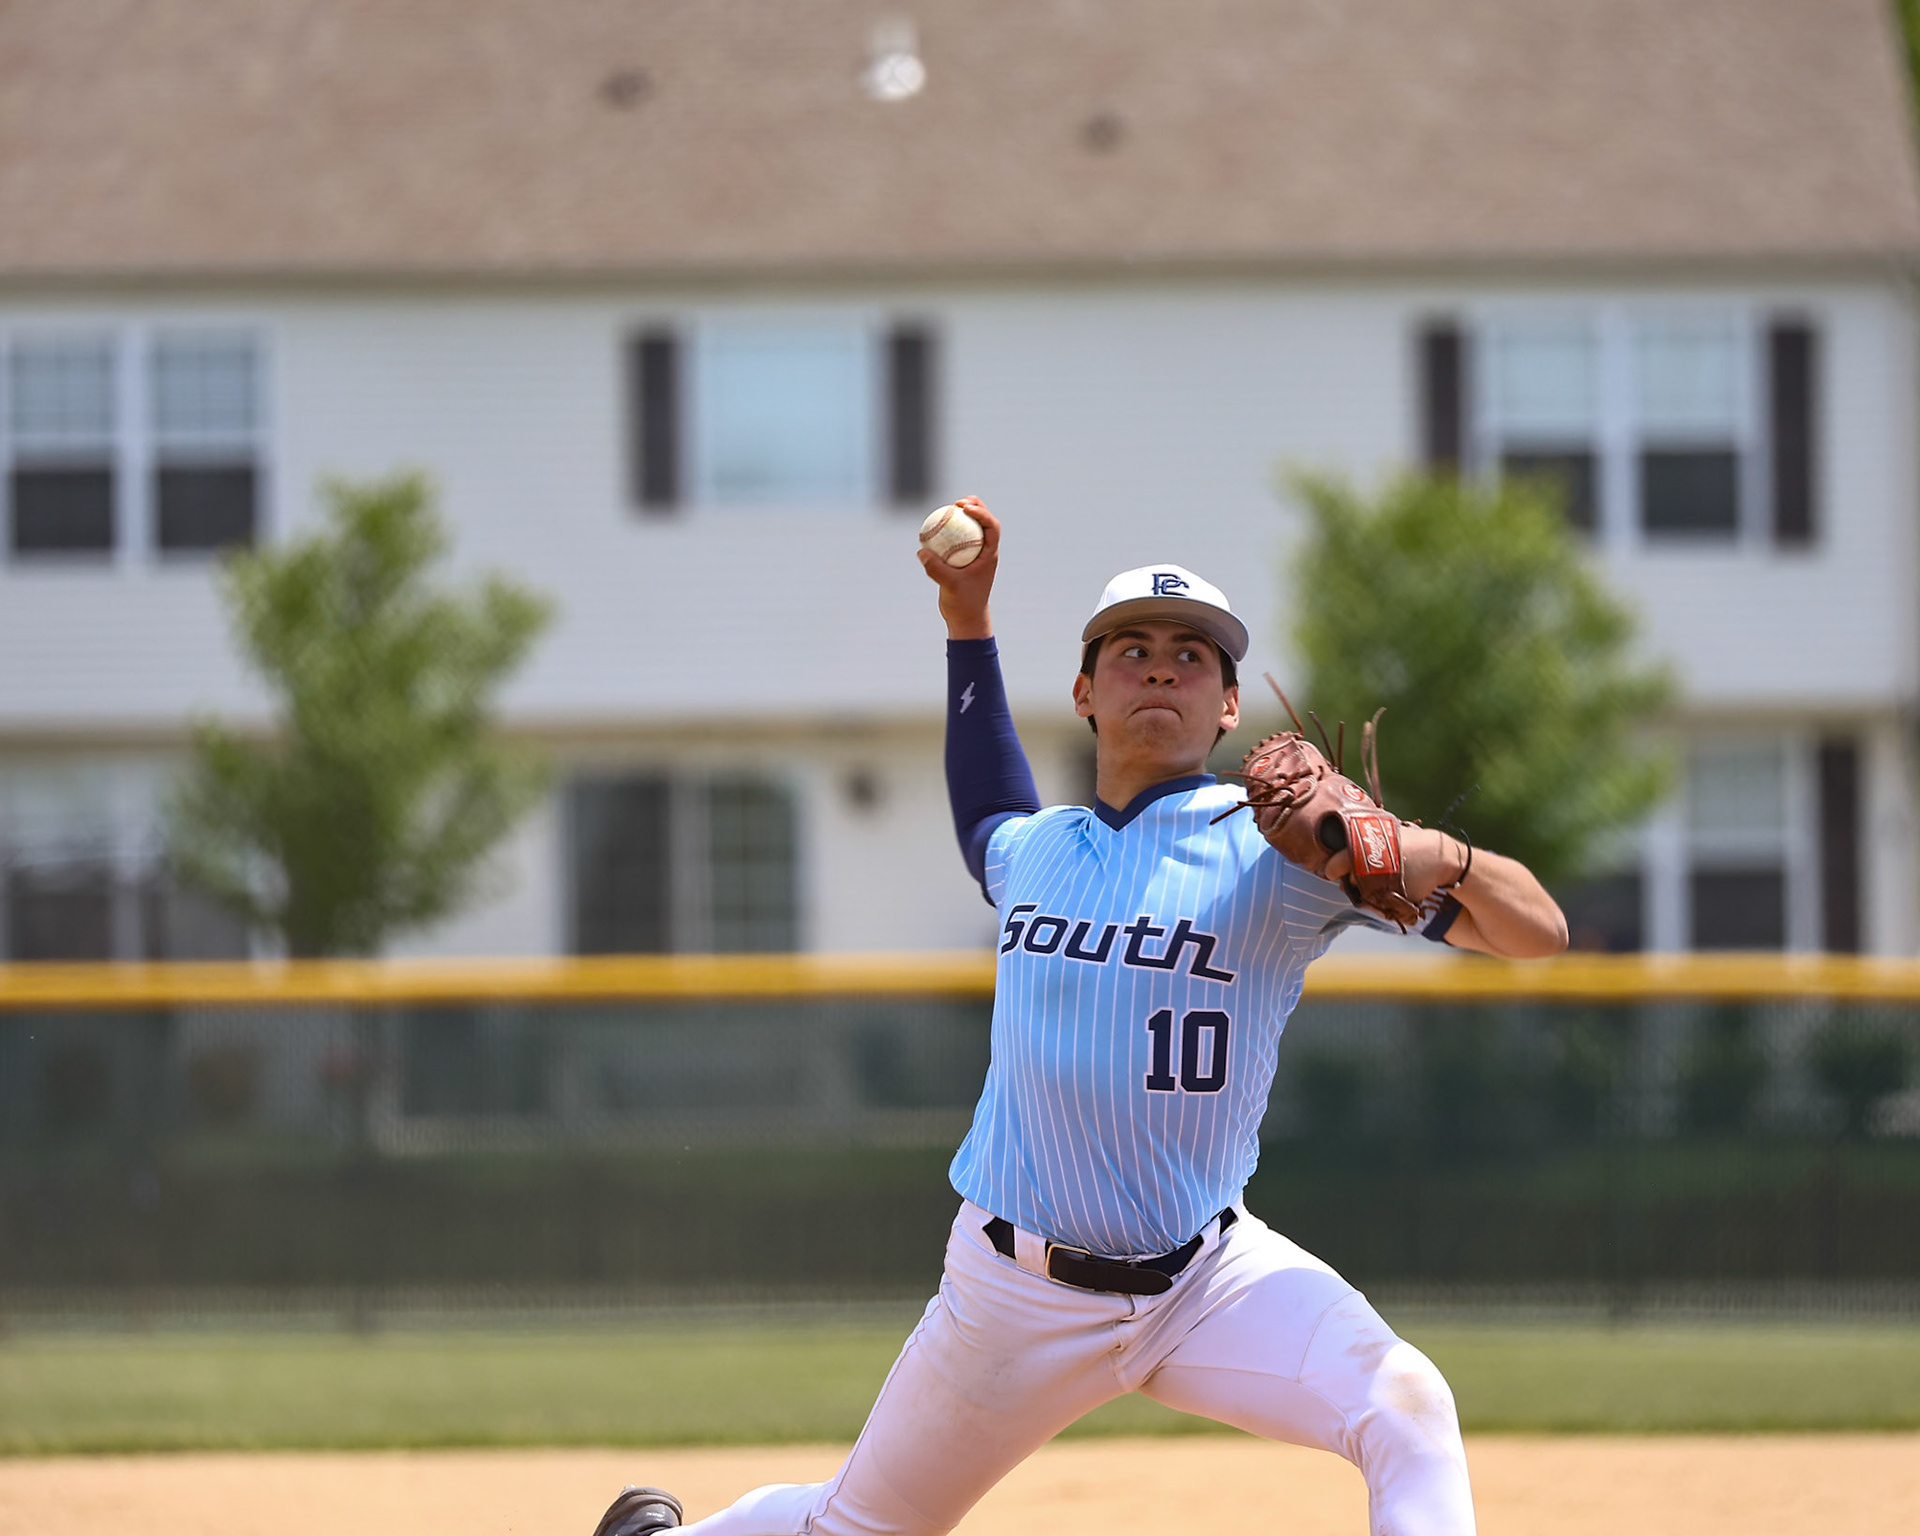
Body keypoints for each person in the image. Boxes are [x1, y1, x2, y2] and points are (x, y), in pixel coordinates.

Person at [594, 497, 1567, 1536]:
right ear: (1085, 693)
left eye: (1191, 656)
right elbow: (985, 800)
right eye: (1131, 651)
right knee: (859, 1527)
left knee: (1406, 1405)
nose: (1161, 670)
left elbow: (1538, 932)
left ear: (1230, 705)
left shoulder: (1286, 857)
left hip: (1207, 1280)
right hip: (1014, 1293)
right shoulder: (1034, 850)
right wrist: (968, 620)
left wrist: (1423, 850)